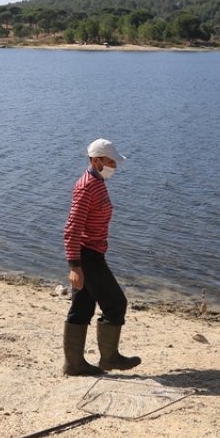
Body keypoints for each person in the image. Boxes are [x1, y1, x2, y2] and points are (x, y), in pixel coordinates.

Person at [61, 138, 141, 376]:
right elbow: (72, 227)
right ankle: (109, 358)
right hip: (87, 255)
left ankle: (74, 364)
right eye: (110, 162)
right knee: (116, 304)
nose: (114, 166)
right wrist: (75, 265)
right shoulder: (87, 186)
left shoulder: (97, 181)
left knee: (82, 307)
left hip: (92, 253)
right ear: (96, 161)